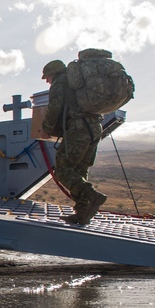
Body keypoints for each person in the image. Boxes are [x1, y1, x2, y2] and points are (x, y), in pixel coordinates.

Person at [41, 59, 107, 225]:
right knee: (79, 169)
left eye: (47, 77)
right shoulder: (78, 81)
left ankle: (92, 196)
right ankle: (82, 212)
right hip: (95, 128)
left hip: (78, 128)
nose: (47, 81)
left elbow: (55, 106)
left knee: (62, 170)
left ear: (53, 73)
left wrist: (47, 127)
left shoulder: (61, 81)